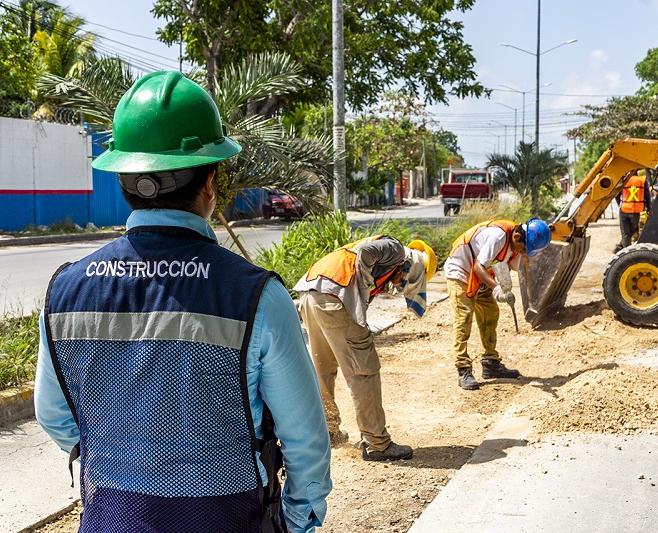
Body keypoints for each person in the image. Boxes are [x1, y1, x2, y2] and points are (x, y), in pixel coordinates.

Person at [34, 71, 331, 533]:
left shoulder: (65, 290)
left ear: (123, 178)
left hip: (112, 517)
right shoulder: (256, 296)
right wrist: (298, 522)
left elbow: (54, 414)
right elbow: (305, 442)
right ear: (210, 182)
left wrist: (124, 467)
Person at [293, 236, 436, 461]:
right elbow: (367, 253)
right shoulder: (396, 249)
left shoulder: (386, 261)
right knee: (364, 371)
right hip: (334, 296)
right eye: (406, 281)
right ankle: (377, 443)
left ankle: (328, 432)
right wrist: (362, 287)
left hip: (312, 294)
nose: (401, 285)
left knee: (323, 367)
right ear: (411, 268)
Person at [444, 219, 551, 390]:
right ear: (517, 236)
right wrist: (497, 289)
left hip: (481, 276)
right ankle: (463, 368)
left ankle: (490, 363)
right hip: (460, 270)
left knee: (490, 313)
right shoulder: (498, 237)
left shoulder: (515, 245)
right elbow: (478, 267)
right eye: (524, 249)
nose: (524, 253)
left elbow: (509, 266)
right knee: (463, 318)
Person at [615, 169, 650, 253]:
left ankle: (623, 251)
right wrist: (649, 208)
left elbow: (617, 195)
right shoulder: (642, 180)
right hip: (636, 210)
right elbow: (647, 196)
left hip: (624, 209)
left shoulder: (624, 180)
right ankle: (621, 248)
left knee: (625, 233)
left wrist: (620, 204)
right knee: (633, 230)